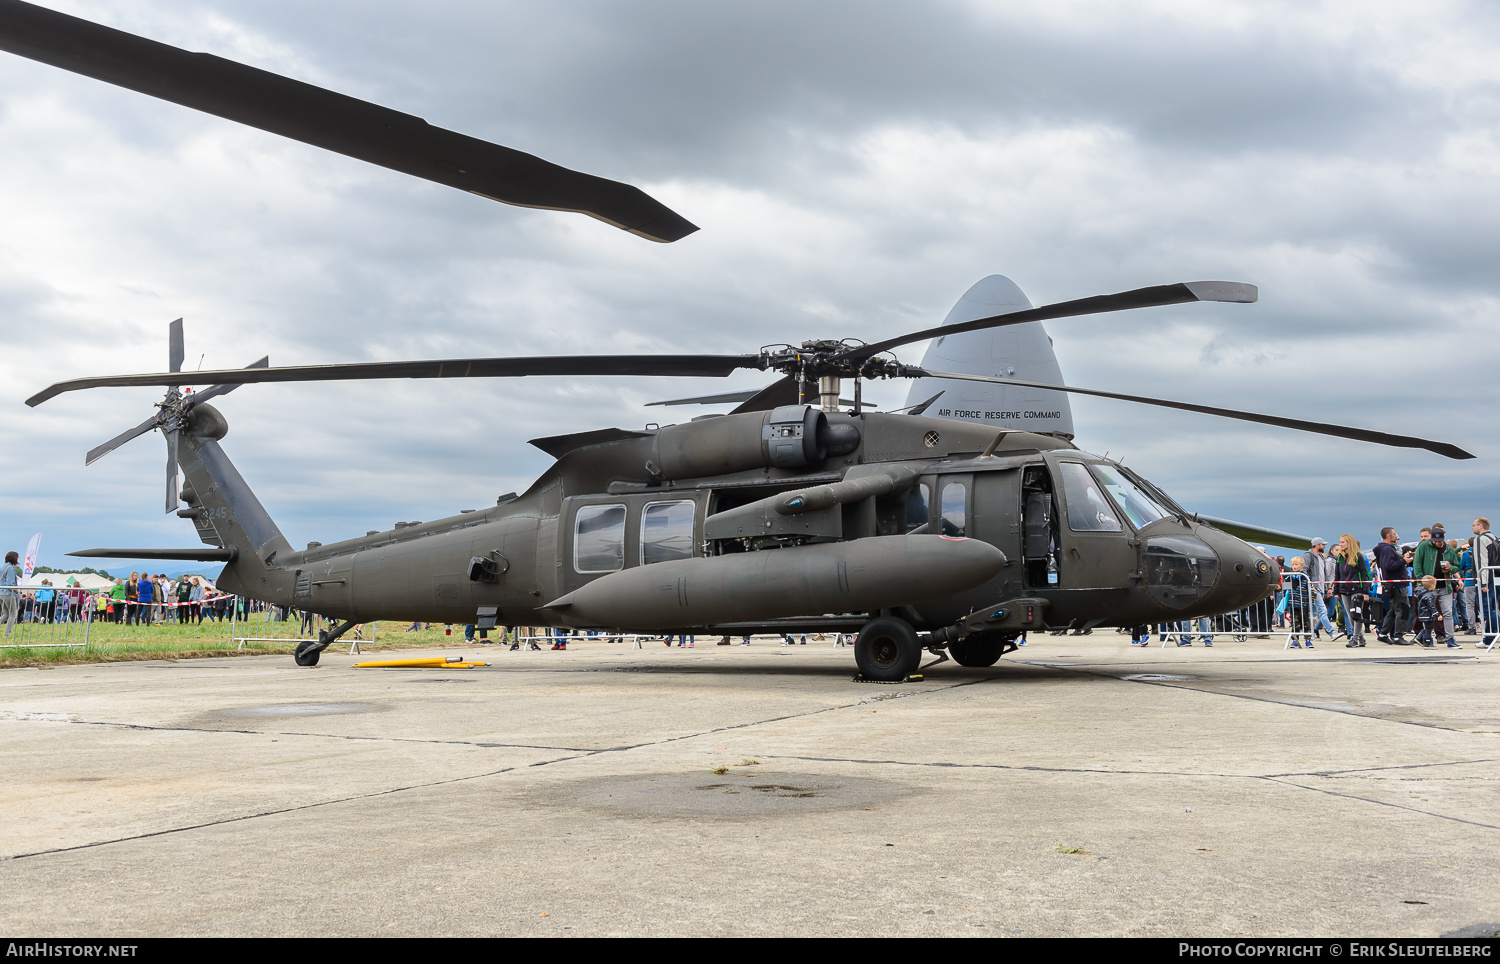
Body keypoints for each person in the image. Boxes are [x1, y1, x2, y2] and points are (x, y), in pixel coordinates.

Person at [1412, 523, 1460, 647]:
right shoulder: (1423, 547)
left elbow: (1457, 567)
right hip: (1429, 587)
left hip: (1445, 586)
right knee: (1427, 614)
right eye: (1434, 541)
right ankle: (1427, 638)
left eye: (1439, 541)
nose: (1437, 543)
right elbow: (1417, 565)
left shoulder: (1449, 549)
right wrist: (1422, 582)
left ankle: (1450, 639)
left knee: (1448, 612)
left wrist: (1450, 568)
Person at [1374, 528, 1414, 644]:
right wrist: (1403, 562)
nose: (1397, 536)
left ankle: (1382, 633)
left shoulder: (1383, 549)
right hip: (1396, 584)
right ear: (1388, 536)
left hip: (1392, 584)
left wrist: (1401, 559)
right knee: (1402, 609)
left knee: (1394, 609)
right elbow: (1389, 566)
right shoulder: (1387, 549)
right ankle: (1398, 636)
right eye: (1394, 534)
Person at [1332, 534, 1371, 647]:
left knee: (1356, 614)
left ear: (1349, 543)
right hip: (1344, 590)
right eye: (1340, 542)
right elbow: (1337, 575)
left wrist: (1365, 591)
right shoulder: (1340, 557)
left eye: (1343, 542)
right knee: (1350, 615)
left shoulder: (1359, 556)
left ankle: (1354, 638)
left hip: (1357, 589)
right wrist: (1336, 590)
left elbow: (1364, 574)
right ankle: (1360, 637)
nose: (1340, 544)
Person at [1301, 538, 1339, 640]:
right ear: (1317, 545)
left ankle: (1311, 634)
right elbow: (1304, 571)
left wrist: (1329, 587)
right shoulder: (1308, 556)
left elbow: (1325, 574)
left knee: (1314, 612)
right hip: (1314, 589)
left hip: (1321, 588)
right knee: (1322, 610)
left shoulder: (1321, 557)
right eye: (1323, 544)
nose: (1325, 546)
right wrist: (1310, 585)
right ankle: (1331, 632)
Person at [1473, 518, 1498, 647]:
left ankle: (1492, 637)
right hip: (1496, 578)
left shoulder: (1480, 540)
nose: (1472, 528)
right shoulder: (1494, 538)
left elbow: (1481, 561)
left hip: (1486, 579)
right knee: (1493, 608)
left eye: (1474, 525)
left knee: (1487, 610)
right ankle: (1489, 640)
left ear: (1480, 526)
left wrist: (1482, 582)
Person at [1412, 575, 1455, 648]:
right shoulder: (1429, 595)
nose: (1435, 586)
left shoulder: (1421, 594)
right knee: (1428, 629)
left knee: (1427, 628)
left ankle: (1420, 638)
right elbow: (1431, 606)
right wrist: (1437, 614)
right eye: (1435, 585)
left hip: (1423, 614)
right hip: (1428, 615)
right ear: (1431, 586)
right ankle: (1427, 643)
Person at [1, 550, 19, 638]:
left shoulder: (3, 566)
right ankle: (6, 633)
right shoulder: (11, 568)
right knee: (13, 614)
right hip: (8, 593)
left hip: (1, 593)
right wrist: (16, 591)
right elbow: (10, 583)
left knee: (5, 614)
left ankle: (6, 632)